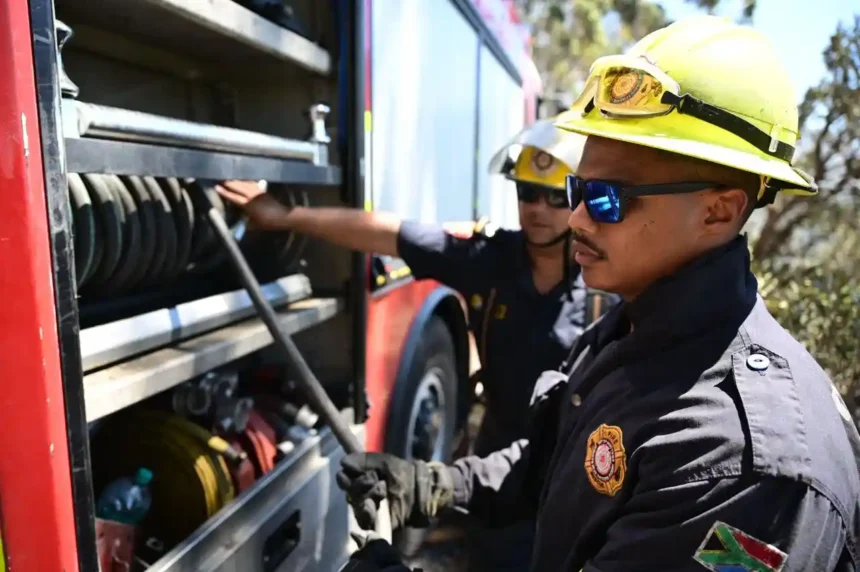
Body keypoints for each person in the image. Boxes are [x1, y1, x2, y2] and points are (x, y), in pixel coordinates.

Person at [335, 15, 860, 572]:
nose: (579, 217)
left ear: (718, 210)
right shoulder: (626, 333)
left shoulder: (741, 468)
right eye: (577, 189)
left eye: (609, 197)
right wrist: (437, 484)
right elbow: (559, 464)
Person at [216, 119, 611, 571]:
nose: (539, 208)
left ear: (579, 199)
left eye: (557, 197)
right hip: (495, 470)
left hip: (569, 470)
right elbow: (391, 233)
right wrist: (286, 218)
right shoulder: (492, 260)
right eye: (527, 193)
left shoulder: (606, 285)